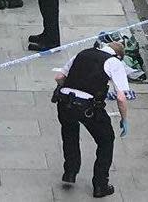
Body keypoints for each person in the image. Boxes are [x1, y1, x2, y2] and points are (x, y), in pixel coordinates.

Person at [53, 42, 130, 198]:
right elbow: (121, 98)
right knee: (106, 140)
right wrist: (124, 119)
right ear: (119, 56)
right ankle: (100, 185)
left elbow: (59, 77)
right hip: (87, 107)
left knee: (69, 134)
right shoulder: (114, 62)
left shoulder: (81, 53)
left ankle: (70, 172)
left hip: (65, 102)